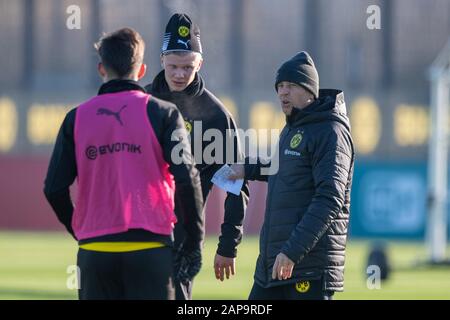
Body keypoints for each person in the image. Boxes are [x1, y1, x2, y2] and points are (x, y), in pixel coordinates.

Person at [43, 27, 204, 300]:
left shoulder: (76, 118)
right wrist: (193, 244)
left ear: (101, 68)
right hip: (151, 249)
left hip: (96, 253)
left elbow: (54, 188)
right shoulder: (163, 113)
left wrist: (81, 228)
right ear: (141, 70)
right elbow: (188, 179)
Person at [230, 51, 355, 300]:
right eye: (280, 86)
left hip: (306, 268)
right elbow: (285, 168)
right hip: (273, 266)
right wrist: (247, 169)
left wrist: (293, 252)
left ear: (310, 91)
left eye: (291, 85)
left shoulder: (330, 131)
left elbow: (329, 198)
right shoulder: (294, 128)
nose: (282, 92)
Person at [145, 13, 249, 300]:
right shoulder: (141, 104)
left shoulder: (215, 116)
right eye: (174, 66)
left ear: (200, 64)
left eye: (188, 67)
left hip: (184, 234)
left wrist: (229, 244)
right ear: (161, 59)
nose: (180, 74)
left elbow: (236, 185)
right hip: (137, 230)